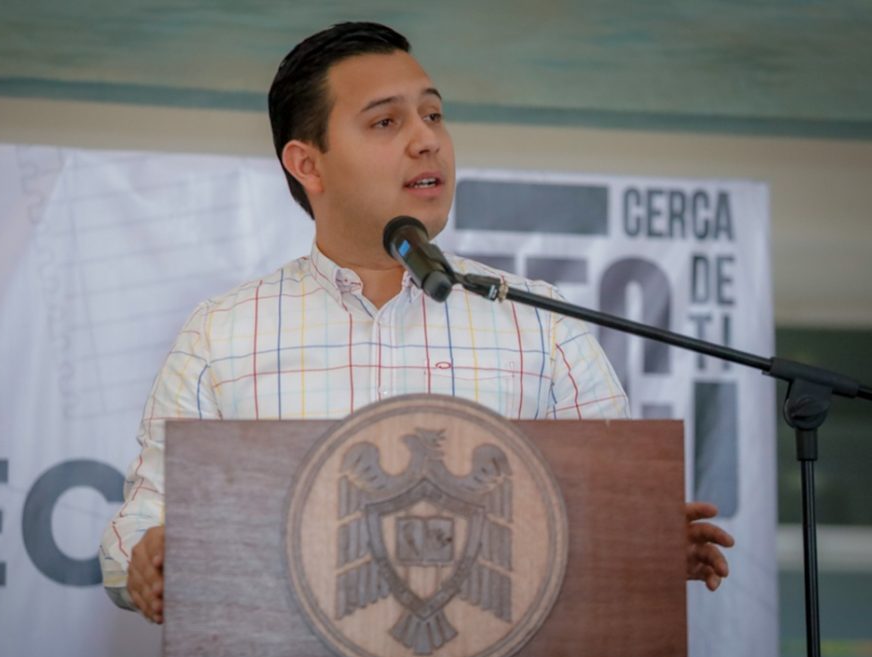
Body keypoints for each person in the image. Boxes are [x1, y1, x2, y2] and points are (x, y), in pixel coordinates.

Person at [99, 21, 734, 625]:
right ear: (308, 165)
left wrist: (643, 543)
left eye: (433, 114)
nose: (426, 139)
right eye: (386, 121)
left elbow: (617, 512)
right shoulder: (224, 335)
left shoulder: (537, 323)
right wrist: (150, 560)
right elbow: (137, 530)